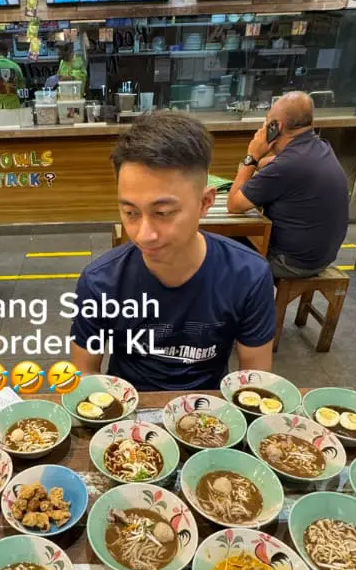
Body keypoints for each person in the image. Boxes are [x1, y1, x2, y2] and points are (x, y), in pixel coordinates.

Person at [69, 112, 275, 390]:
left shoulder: (248, 275)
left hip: (210, 414)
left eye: (163, 212)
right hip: (128, 412)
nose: (144, 235)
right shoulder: (100, 281)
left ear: (204, 203)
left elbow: (255, 381)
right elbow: (84, 373)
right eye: (130, 212)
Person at [226, 91, 349, 279]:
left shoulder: (288, 165)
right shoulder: (319, 147)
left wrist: (252, 157)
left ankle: (236, 305)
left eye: (267, 122)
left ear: (276, 126)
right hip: (321, 257)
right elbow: (275, 164)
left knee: (219, 248)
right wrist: (256, 163)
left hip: (290, 262)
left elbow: (234, 205)